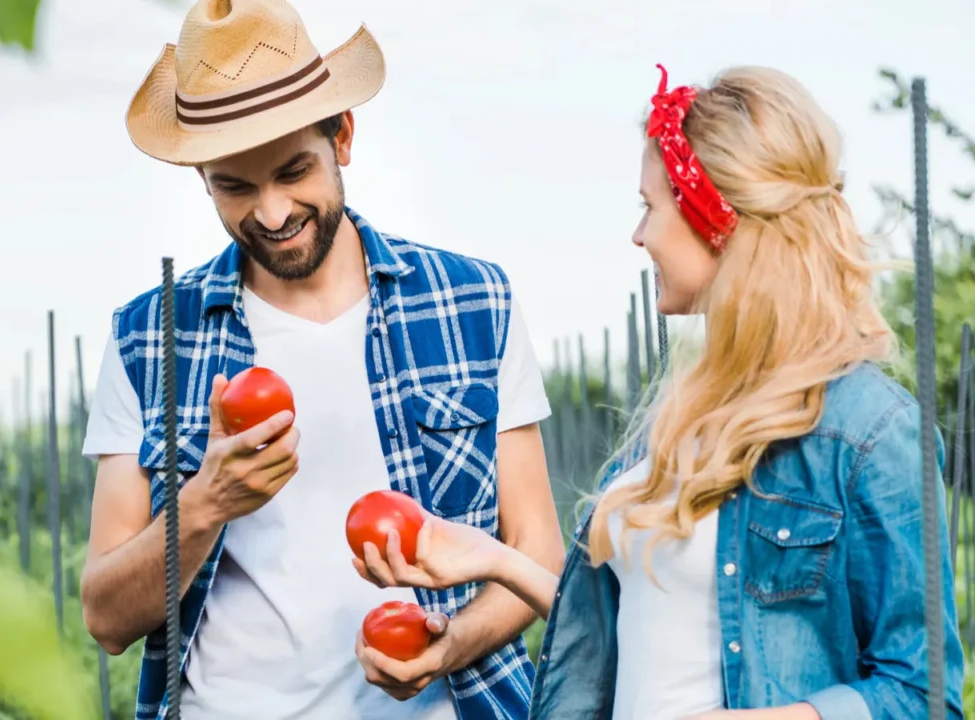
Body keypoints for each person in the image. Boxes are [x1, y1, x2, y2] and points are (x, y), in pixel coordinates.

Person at [357, 64, 966, 719]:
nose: (639, 235)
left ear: (719, 219)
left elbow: (922, 695)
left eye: (650, 207)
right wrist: (493, 559)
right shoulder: (681, 415)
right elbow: (641, 624)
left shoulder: (869, 432)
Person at [77, 1, 564, 718]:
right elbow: (106, 619)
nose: (271, 213)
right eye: (235, 186)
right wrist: (206, 503)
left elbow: (539, 551)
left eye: (292, 171)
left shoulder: (472, 304)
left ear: (343, 136)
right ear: (202, 179)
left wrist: (450, 645)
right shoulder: (148, 339)